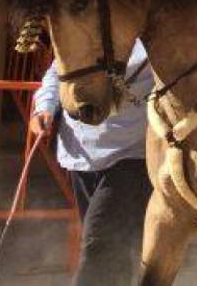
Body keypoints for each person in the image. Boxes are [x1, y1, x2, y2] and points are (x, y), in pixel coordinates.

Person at [30, 41, 154, 286]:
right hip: (80, 153)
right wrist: (44, 108)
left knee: (99, 239)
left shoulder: (151, 33)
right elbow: (57, 72)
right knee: (112, 245)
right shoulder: (84, 29)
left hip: (131, 153)